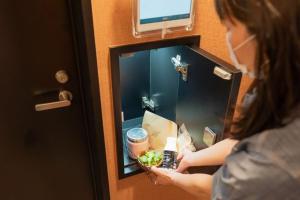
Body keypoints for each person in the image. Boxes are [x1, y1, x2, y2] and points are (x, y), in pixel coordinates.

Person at [150, 0, 300, 199]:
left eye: (230, 27)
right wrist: (192, 158)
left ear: (262, 31)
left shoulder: (271, 161)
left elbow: (223, 189)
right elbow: (241, 141)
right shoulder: (279, 83)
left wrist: (172, 178)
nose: (228, 37)